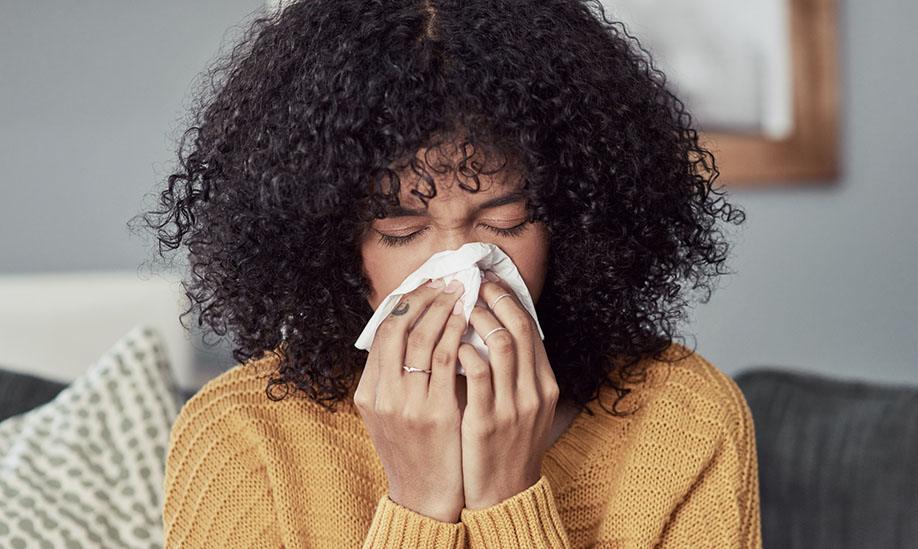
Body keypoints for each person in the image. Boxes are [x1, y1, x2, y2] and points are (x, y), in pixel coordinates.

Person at [136, 0, 760, 546]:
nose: (460, 267)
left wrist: (507, 497)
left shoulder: (686, 417)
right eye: (403, 230)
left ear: (572, 221)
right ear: (331, 242)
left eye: (507, 220)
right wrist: (418, 505)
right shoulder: (243, 437)